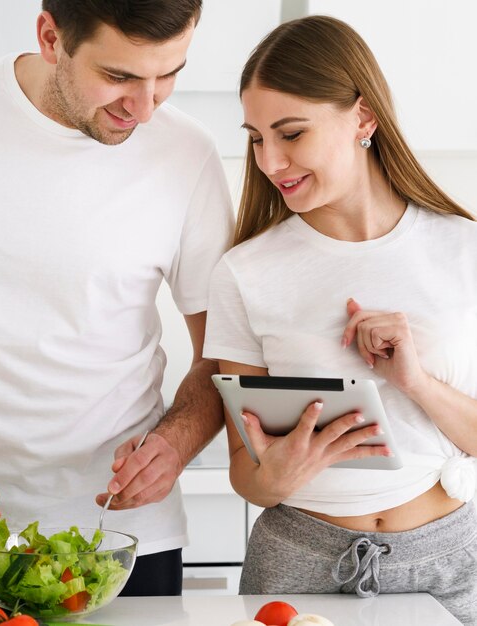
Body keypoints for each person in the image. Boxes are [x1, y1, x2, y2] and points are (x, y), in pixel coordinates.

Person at [0, 0, 234, 596]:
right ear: (51, 38)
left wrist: (176, 445)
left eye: (169, 75)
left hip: (119, 549)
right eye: (119, 77)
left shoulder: (188, 153)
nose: (145, 108)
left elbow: (226, 354)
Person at [203, 15, 477, 623]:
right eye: (255, 137)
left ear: (362, 117)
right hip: (298, 560)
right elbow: (246, 475)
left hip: (451, 562)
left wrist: (417, 384)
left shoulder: (465, 250)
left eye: (291, 133)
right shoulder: (245, 272)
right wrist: (276, 477)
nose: (270, 161)